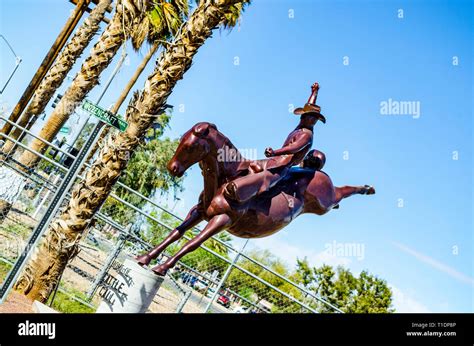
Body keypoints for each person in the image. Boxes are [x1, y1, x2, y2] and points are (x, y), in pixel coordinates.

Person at [223, 82, 327, 203]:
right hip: (274, 160)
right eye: (306, 115)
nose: (305, 117)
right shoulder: (300, 128)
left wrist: (274, 152)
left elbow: (294, 147)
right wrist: (314, 92)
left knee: (264, 180)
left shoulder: (306, 135)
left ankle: (240, 194)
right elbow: (309, 106)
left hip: (283, 165)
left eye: (312, 117)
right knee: (250, 164)